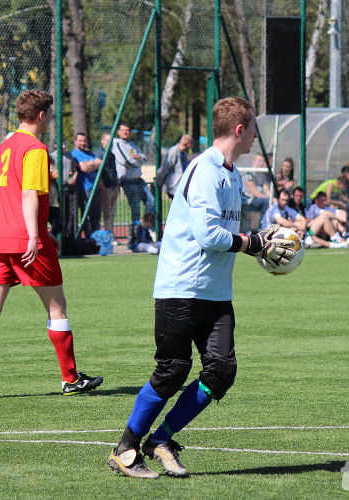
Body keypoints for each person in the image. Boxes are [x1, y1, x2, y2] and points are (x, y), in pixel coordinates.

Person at [107, 97, 298, 479]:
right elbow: (209, 235)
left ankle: (160, 440)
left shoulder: (232, 174)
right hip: (182, 287)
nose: (255, 140)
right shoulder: (205, 170)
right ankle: (126, 449)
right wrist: (253, 243)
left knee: (221, 371)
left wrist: (259, 238)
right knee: (173, 370)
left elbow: (227, 233)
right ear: (240, 130)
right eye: (253, 131)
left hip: (215, 292)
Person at [0, 89, 102, 399]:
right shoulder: (35, 149)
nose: (50, 119)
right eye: (49, 114)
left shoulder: (3, 148)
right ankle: (70, 378)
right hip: (25, 241)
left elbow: (5, 196)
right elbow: (27, 194)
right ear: (41, 115)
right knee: (57, 308)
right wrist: (35, 235)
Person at [113, 122, 154, 231]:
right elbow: (128, 161)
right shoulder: (117, 144)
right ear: (118, 132)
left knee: (151, 201)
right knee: (136, 207)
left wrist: (139, 158)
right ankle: (136, 231)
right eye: (123, 130)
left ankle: (145, 227)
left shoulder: (132, 144)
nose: (125, 132)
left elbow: (144, 157)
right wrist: (139, 161)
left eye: (127, 130)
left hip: (138, 178)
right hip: (127, 179)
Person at [71, 132, 102, 236]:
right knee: (87, 215)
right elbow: (83, 168)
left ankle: (96, 236)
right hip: (84, 189)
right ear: (75, 142)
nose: (83, 143)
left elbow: (100, 163)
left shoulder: (90, 153)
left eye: (84, 141)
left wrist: (89, 165)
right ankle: (89, 236)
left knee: (96, 215)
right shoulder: (74, 154)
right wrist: (93, 164)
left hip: (95, 188)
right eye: (80, 141)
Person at [95, 132, 119, 236]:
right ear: (102, 141)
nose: (110, 142)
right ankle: (108, 235)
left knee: (112, 212)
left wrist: (117, 185)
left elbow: (114, 170)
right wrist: (102, 186)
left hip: (114, 186)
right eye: (107, 140)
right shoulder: (100, 153)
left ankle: (111, 233)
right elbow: (98, 172)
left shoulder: (111, 154)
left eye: (111, 140)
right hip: (106, 187)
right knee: (107, 212)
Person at [156, 134, 193, 200]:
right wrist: (159, 181)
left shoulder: (184, 153)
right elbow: (165, 168)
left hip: (181, 186)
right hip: (174, 186)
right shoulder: (173, 152)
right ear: (189, 144)